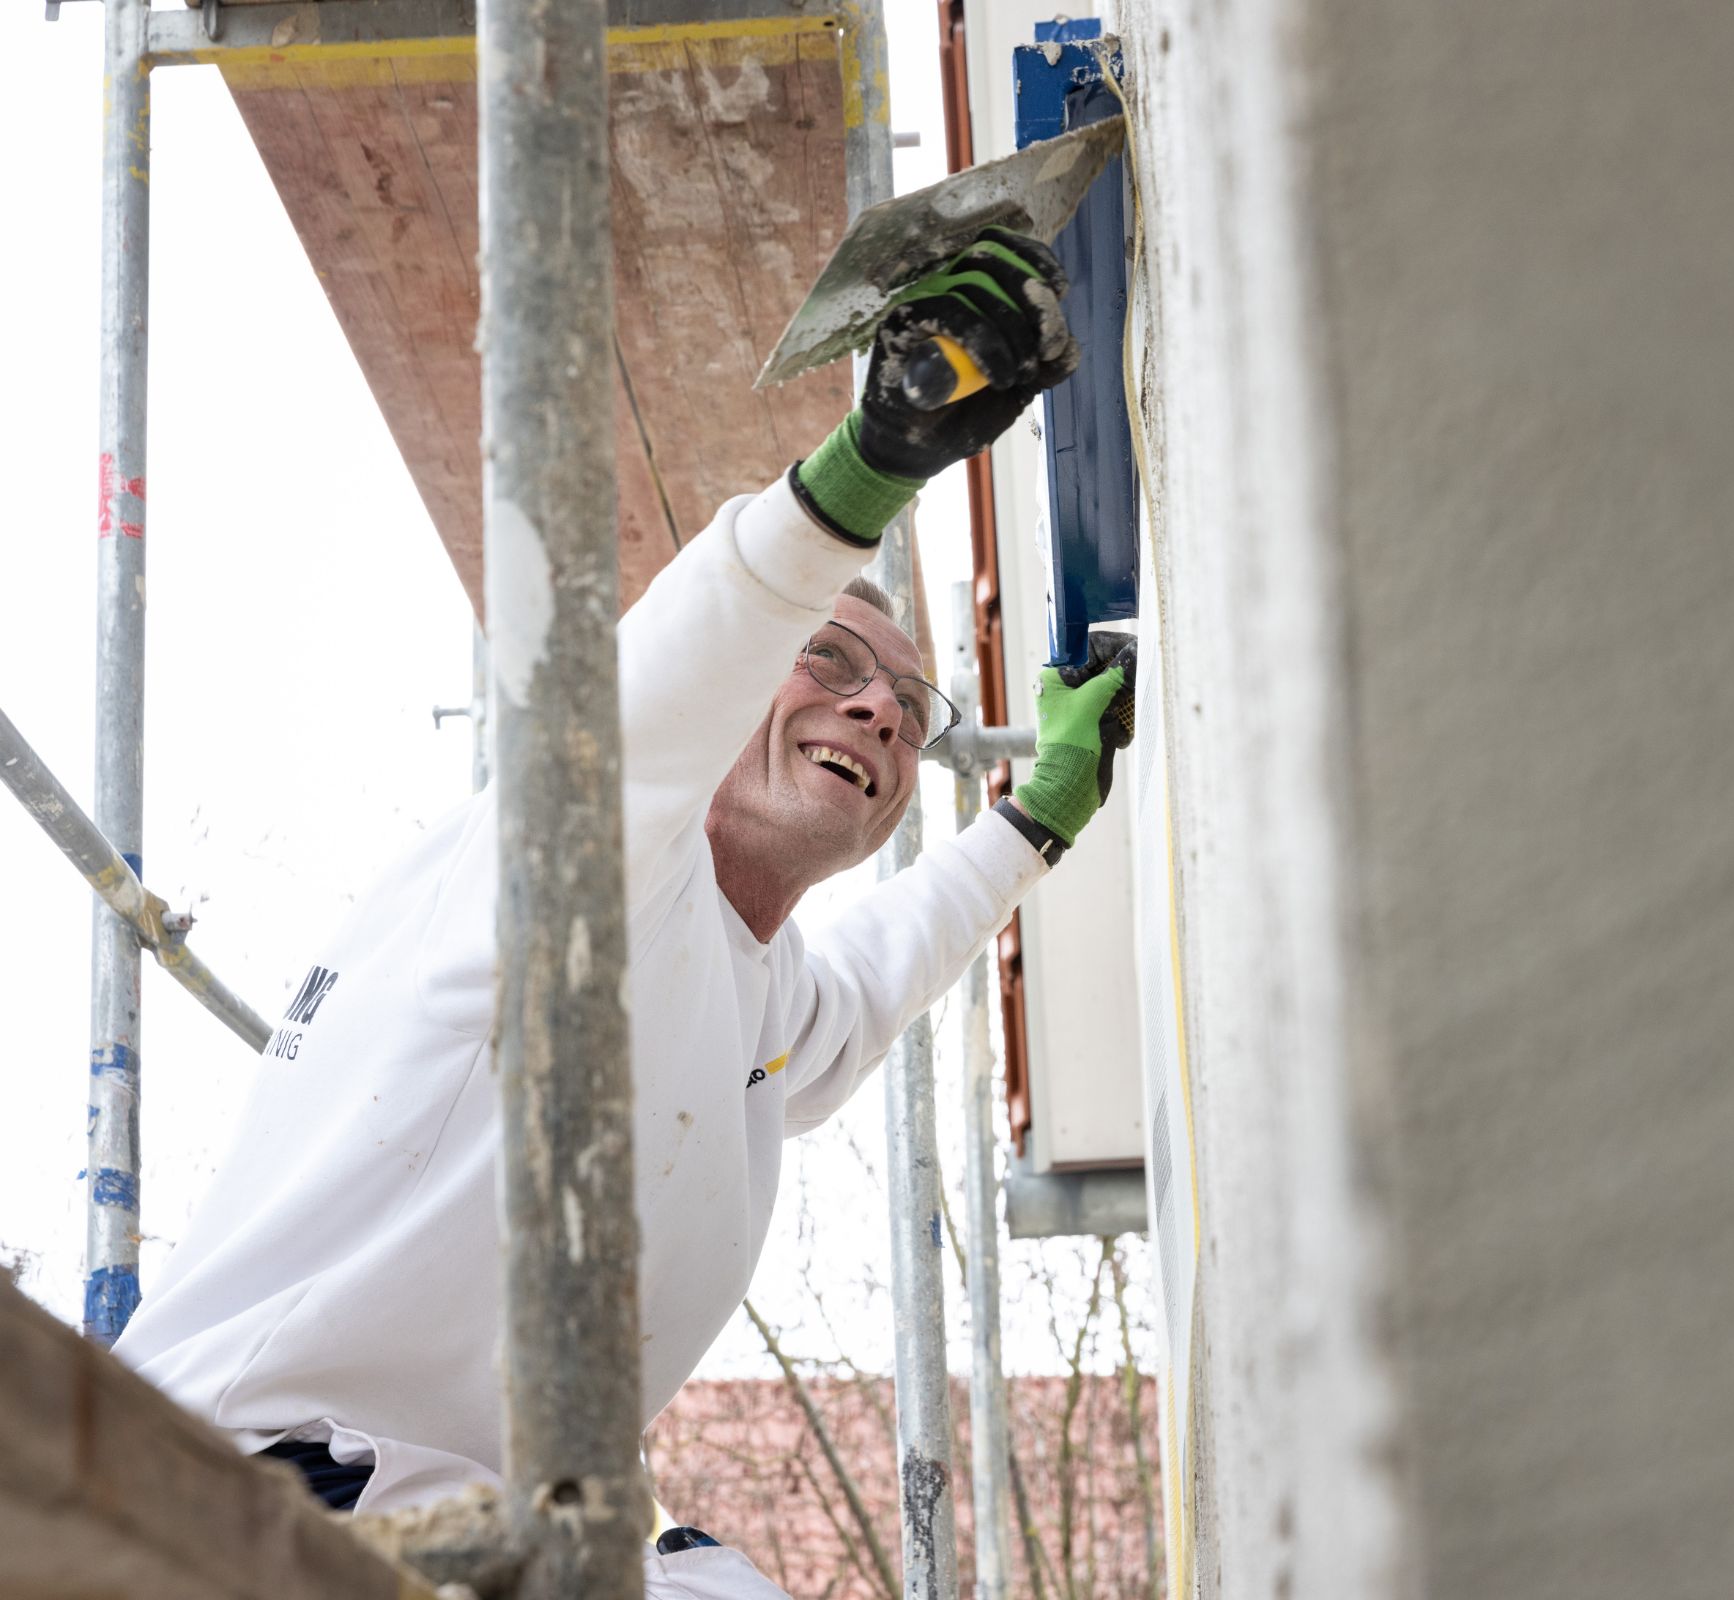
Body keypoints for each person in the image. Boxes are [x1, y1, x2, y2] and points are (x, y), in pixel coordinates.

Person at [112, 230, 1132, 1600]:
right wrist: (866, 467)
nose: (881, 708)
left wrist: (1041, 811)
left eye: (910, 703)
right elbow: (649, 696)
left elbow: (886, 969)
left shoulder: (756, 992)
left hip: (432, 1543)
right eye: (827, 659)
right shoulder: (556, 877)